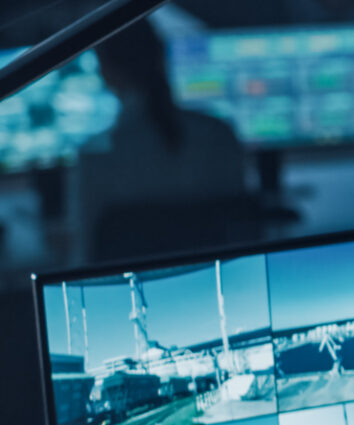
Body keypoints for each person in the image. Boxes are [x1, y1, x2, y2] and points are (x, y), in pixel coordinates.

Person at [69, 18, 254, 265]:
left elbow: (85, 264)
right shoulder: (219, 136)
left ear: (105, 72)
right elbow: (244, 239)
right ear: (161, 56)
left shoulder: (96, 157)